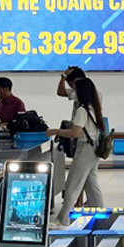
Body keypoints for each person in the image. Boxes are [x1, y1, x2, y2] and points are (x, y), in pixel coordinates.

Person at [46, 78, 105, 225]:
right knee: (91, 184)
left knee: (72, 185)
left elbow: (75, 133)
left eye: (75, 90)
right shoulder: (94, 107)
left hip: (85, 149)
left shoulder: (82, 110)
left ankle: (63, 219)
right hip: (94, 149)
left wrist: (56, 131)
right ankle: (100, 213)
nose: (72, 93)